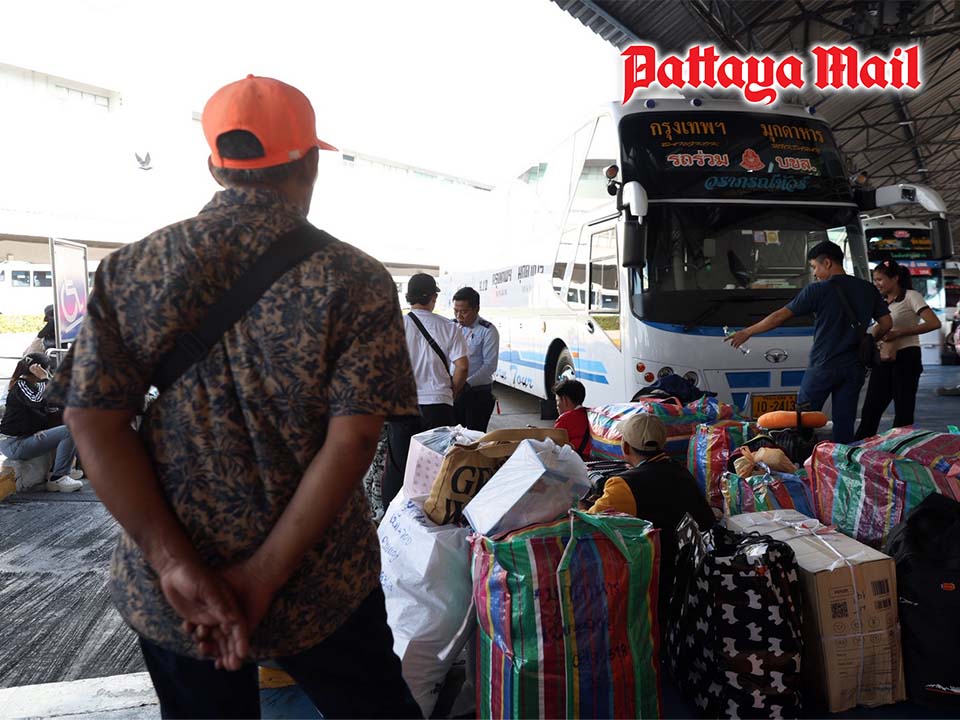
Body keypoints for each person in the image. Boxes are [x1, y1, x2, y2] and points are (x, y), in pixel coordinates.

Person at [51, 75, 421, 719]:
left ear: (216, 166)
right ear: (309, 164)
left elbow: (91, 419)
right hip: (321, 584)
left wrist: (173, 564)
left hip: (175, 596)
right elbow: (356, 437)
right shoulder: (356, 278)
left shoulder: (134, 268)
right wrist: (263, 577)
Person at [727, 240, 892, 444]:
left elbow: (779, 317)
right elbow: (886, 323)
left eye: (815, 267)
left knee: (802, 419)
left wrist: (747, 332)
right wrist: (869, 339)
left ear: (828, 263)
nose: (814, 273)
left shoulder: (817, 290)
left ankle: (801, 462)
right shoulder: (868, 289)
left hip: (824, 365)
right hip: (855, 367)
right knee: (844, 421)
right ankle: (838, 466)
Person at [585, 413, 714, 622]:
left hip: (656, 579)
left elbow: (589, 523)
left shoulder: (622, 486)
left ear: (625, 447)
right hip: (695, 574)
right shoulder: (682, 472)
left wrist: (581, 504)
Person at [383, 273, 468, 507]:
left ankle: (394, 518)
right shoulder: (449, 327)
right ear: (433, 297)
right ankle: (431, 518)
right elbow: (462, 366)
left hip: (403, 405)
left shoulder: (395, 325)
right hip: (439, 406)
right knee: (436, 469)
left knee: (399, 468)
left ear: (409, 297)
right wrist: (452, 390)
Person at [855, 259, 941, 439]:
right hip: (883, 359)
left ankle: (900, 452)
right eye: (874, 279)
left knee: (903, 410)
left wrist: (900, 332)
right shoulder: (879, 301)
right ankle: (859, 449)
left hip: (907, 357)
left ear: (894, 278)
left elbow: (934, 322)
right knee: (871, 407)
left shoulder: (911, 296)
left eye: (879, 279)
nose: (876, 283)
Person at [0, 352, 83, 492]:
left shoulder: (35, 387)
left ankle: (61, 468)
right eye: (47, 369)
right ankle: (58, 477)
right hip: (14, 443)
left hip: (27, 438)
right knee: (70, 430)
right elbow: (37, 401)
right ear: (38, 369)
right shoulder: (21, 385)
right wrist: (45, 379)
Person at [452, 286, 499, 432]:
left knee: (473, 438)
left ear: (476, 309)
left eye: (464, 311)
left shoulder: (488, 331)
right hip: (453, 391)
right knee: (452, 436)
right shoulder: (451, 326)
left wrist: (465, 384)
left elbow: (489, 366)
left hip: (477, 393)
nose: (459, 316)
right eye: (456, 311)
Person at [553, 378, 592, 460]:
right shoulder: (590, 414)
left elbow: (554, 445)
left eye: (557, 401)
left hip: (578, 463)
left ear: (565, 400)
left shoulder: (565, 419)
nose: (557, 407)